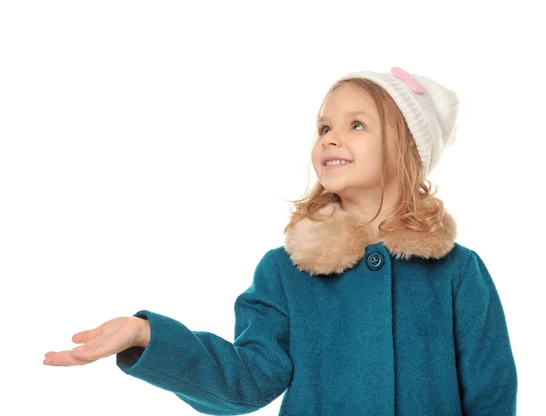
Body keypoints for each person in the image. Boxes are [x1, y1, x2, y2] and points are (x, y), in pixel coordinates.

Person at [43, 66, 518, 415]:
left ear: (410, 148)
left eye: (357, 125)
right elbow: (246, 379)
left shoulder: (457, 271)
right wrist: (148, 336)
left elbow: (491, 393)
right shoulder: (286, 271)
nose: (331, 139)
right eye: (324, 127)